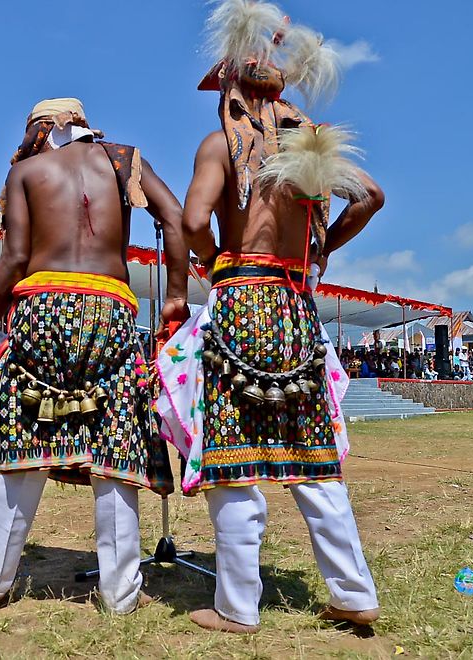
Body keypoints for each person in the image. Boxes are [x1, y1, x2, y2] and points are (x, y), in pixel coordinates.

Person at [156, 1, 384, 633]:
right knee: (313, 460)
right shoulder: (312, 152)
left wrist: (212, 264)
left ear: (231, 88)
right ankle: (354, 591)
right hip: (295, 307)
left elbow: (194, 221)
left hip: (239, 298)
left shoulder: (219, 144)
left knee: (233, 460)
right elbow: (372, 196)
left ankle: (237, 605)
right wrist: (321, 249)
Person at [0, 97, 189, 613]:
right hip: (110, 311)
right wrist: (175, 293)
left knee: (21, 436)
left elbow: (15, 256)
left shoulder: (28, 171)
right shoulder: (125, 159)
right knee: (115, 443)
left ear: (41, 129)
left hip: (41, 308)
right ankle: (120, 593)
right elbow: (175, 218)